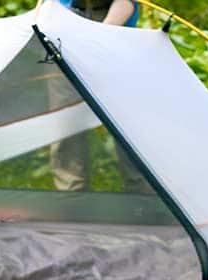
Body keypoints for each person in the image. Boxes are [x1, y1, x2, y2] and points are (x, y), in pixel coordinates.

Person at [51, 0, 141, 192]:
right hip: (65, 24)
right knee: (66, 120)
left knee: (127, 122)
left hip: (114, 28)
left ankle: (144, 198)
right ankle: (72, 197)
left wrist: (98, 36)